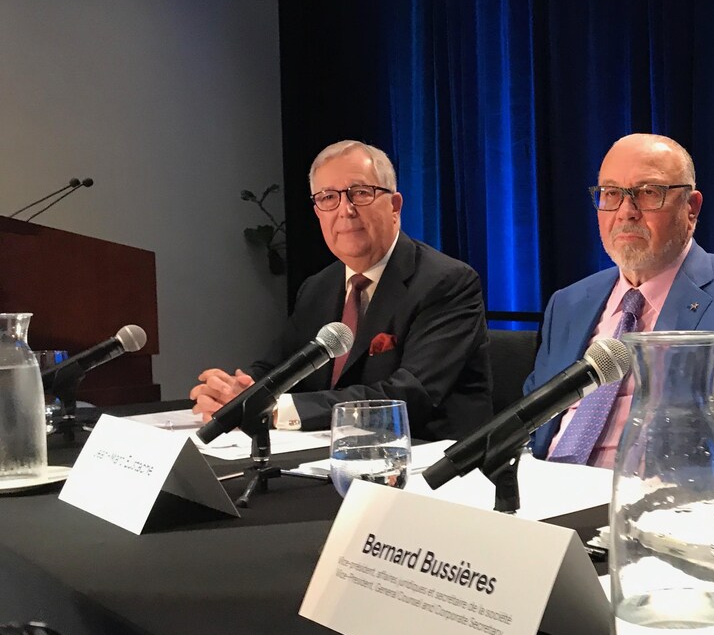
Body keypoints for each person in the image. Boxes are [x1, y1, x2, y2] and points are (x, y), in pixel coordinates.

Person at [525, 133, 714, 489]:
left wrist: (677, 485)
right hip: (544, 502)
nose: (626, 212)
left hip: (660, 510)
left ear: (691, 208)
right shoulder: (567, 303)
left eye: (648, 192)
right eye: (611, 194)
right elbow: (529, 425)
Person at [190, 140, 492, 438]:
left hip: (427, 464)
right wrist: (236, 392)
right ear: (318, 213)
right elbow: (276, 367)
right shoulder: (317, 288)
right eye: (328, 198)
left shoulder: (447, 282)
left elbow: (409, 396)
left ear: (395, 206)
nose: (345, 210)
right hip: (328, 456)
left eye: (360, 193)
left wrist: (274, 409)